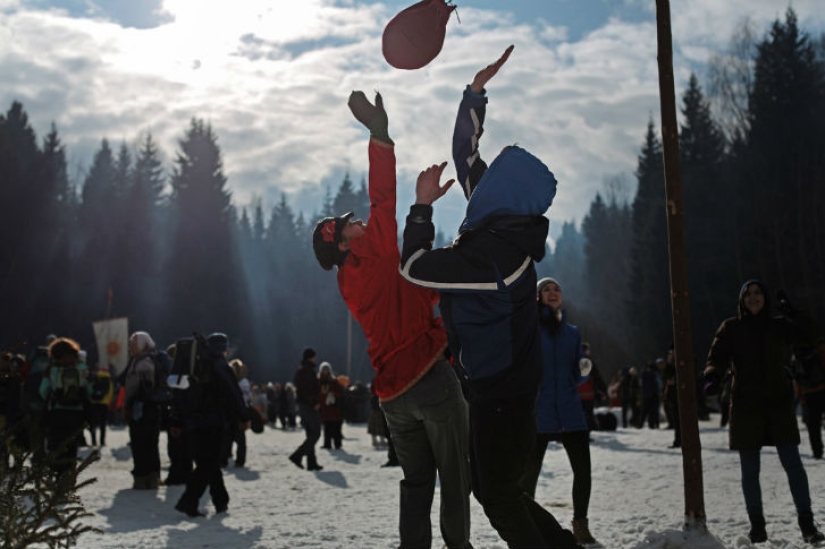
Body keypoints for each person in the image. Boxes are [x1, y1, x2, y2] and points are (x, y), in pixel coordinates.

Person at [399, 45, 581, 548]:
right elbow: (467, 155)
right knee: (495, 489)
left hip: (504, 396)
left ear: (505, 193)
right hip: (495, 387)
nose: (485, 172)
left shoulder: (497, 260)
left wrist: (419, 209)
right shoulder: (501, 224)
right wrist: (475, 94)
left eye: (496, 172)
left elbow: (414, 267)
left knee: (496, 493)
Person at [310, 88, 472, 549]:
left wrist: (426, 216)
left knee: (417, 483)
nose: (358, 221)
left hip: (394, 398)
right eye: (349, 225)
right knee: (456, 480)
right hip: (429, 380)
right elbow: (383, 200)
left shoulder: (351, 279)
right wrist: (380, 138)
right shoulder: (371, 250)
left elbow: (412, 278)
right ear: (342, 244)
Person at [704, 279, 824, 544]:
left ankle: (807, 523)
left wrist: (794, 313)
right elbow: (717, 356)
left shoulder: (779, 325)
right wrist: (713, 376)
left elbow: (813, 335)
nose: (753, 298)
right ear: (742, 300)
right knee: (750, 470)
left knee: (793, 464)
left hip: (778, 404)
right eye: (748, 294)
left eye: (758, 293)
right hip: (746, 406)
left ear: (765, 298)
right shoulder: (731, 327)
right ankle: (757, 525)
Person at [519, 278, 600, 547]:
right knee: (529, 476)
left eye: (557, 289)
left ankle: (580, 526)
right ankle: (528, 528)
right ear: (539, 297)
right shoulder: (529, 329)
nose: (553, 293)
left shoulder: (572, 332)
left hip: (570, 410)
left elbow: (575, 376)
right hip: (540, 411)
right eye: (547, 289)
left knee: (583, 471)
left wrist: (583, 370)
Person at [174, 333, 250, 517]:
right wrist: (244, 415)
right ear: (223, 348)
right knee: (208, 464)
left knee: (208, 462)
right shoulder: (219, 365)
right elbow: (233, 393)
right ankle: (188, 501)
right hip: (213, 421)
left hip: (194, 421)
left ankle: (221, 501)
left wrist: (177, 419)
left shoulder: (197, 364)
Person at [39, 336, 91, 477]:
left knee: (56, 447)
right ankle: (69, 479)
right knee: (72, 448)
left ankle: (57, 480)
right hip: (77, 413)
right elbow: (89, 390)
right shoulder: (82, 368)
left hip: (57, 413)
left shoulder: (52, 369)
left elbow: (43, 391)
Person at [122, 331, 163, 489]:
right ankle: (151, 477)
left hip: (142, 409)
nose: (130, 347)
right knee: (150, 443)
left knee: (141, 443)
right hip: (150, 408)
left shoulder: (143, 363)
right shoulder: (145, 360)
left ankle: (142, 477)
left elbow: (138, 388)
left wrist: (128, 403)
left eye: (132, 344)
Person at [290, 348, 323, 471]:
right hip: (309, 405)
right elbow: (307, 390)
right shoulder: (308, 371)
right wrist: (314, 402)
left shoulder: (302, 371)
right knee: (316, 433)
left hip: (304, 405)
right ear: (311, 357)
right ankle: (298, 455)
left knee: (310, 433)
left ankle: (312, 462)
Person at [576, 342, 607, 433]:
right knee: (588, 416)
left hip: (575, 395)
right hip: (588, 394)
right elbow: (596, 377)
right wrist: (603, 391)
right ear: (585, 351)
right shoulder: (588, 362)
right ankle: (585, 435)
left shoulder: (573, 360)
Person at [318, 362, 344, 450]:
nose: (325, 371)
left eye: (326, 369)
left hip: (334, 407)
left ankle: (337, 443)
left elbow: (340, 392)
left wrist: (333, 394)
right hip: (324, 407)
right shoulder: (318, 381)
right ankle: (327, 443)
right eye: (323, 369)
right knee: (327, 427)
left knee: (336, 426)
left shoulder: (334, 380)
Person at [87, 363, 113, 447]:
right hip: (104, 404)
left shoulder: (95, 379)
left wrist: (92, 399)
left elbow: (89, 389)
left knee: (93, 423)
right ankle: (102, 441)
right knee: (103, 424)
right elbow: (110, 393)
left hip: (94, 403)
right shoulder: (108, 380)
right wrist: (107, 401)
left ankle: (94, 441)